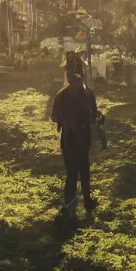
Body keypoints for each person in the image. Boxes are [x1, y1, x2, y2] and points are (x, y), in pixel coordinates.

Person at [51, 52, 97, 221]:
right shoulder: (88, 94)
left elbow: (54, 117)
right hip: (83, 140)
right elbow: (94, 116)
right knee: (84, 171)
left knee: (72, 174)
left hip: (69, 140)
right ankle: (86, 200)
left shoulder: (61, 96)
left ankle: (71, 206)